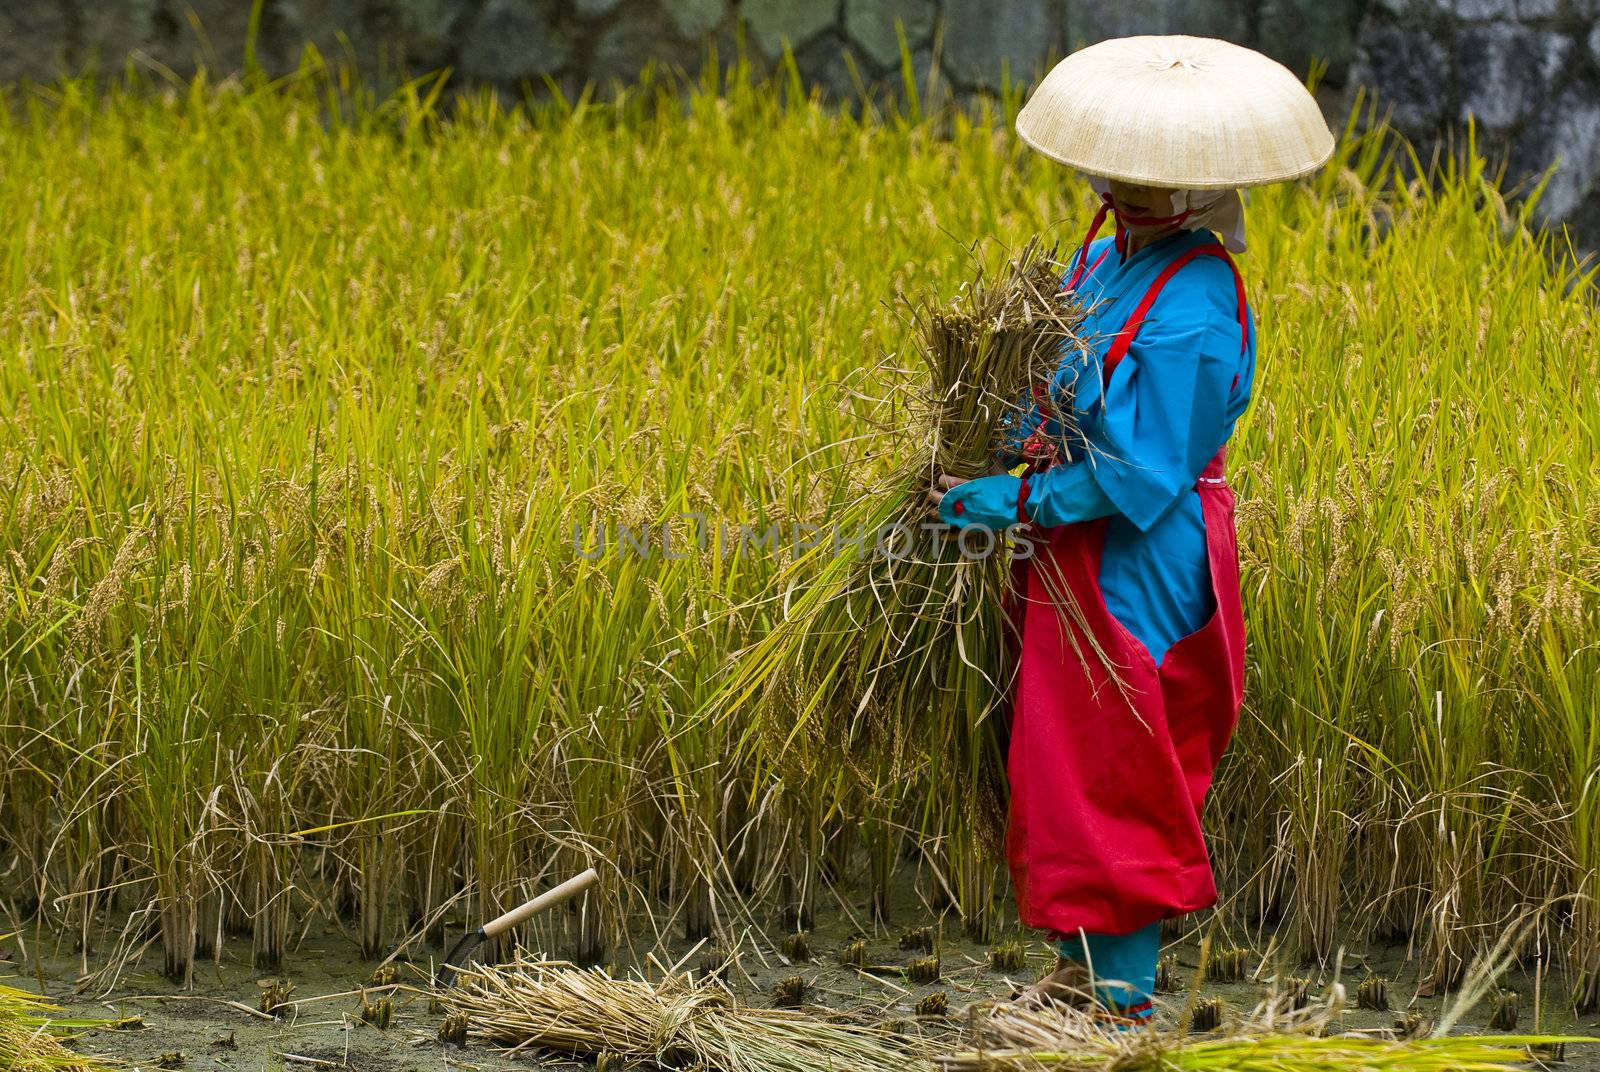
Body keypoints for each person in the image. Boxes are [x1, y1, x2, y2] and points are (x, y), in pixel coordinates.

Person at [927, 35, 1333, 1026]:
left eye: (1163, 182)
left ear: (1205, 188)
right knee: (1057, 762)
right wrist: (1003, 437)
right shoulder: (1104, 260)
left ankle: (1119, 1011)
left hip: (1135, 553)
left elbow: (1143, 472)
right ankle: (1073, 977)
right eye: (1127, 176)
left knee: (1118, 766)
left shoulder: (1195, 300)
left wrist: (1012, 504)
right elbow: (1060, 391)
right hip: (1068, 543)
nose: (1140, 193)